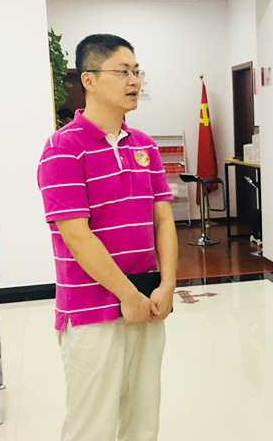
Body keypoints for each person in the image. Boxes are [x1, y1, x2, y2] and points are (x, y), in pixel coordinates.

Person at [37, 34, 178, 441]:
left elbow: (163, 220)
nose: (134, 80)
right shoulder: (63, 148)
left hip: (148, 300)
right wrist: (126, 296)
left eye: (137, 71)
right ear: (89, 80)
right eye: (122, 71)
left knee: (143, 419)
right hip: (92, 310)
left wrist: (168, 284)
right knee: (92, 425)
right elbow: (77, 237)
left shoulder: (145, 146)